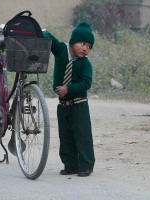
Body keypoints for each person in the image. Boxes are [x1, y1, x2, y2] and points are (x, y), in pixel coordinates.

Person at [44, 22, 95, 177]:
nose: (85, 48)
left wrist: (69, 88)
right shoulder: (61, 51)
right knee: (65, 137)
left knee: (82, 136)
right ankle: (70, 165)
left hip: (79, 105)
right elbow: (49, 39)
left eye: (89, 46)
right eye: (82, 43)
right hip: (63, 105)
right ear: (72, 43)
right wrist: (41, 32)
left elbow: (86, 83)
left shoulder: (85, 64)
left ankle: (86, 165)